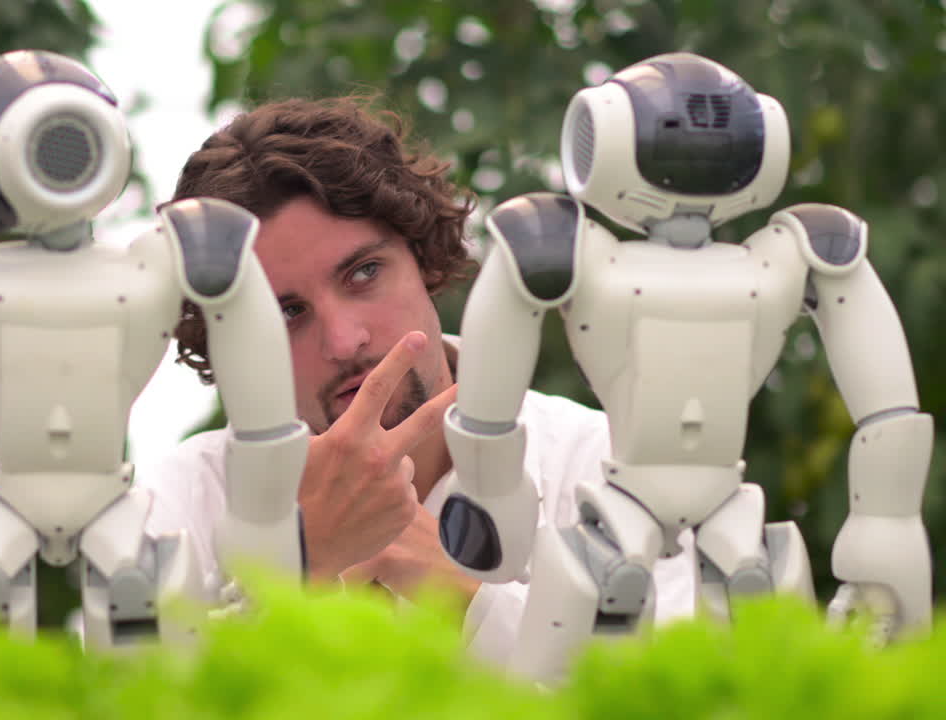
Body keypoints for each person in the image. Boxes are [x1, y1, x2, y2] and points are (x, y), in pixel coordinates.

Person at [137, 96, 695, 664]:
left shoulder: (608, 465)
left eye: (364, 273)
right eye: (286, 312)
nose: (344, 340)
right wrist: (302, 570)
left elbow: (694, 690)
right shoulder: (174, 504)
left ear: (425, 257)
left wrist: (455, 589)